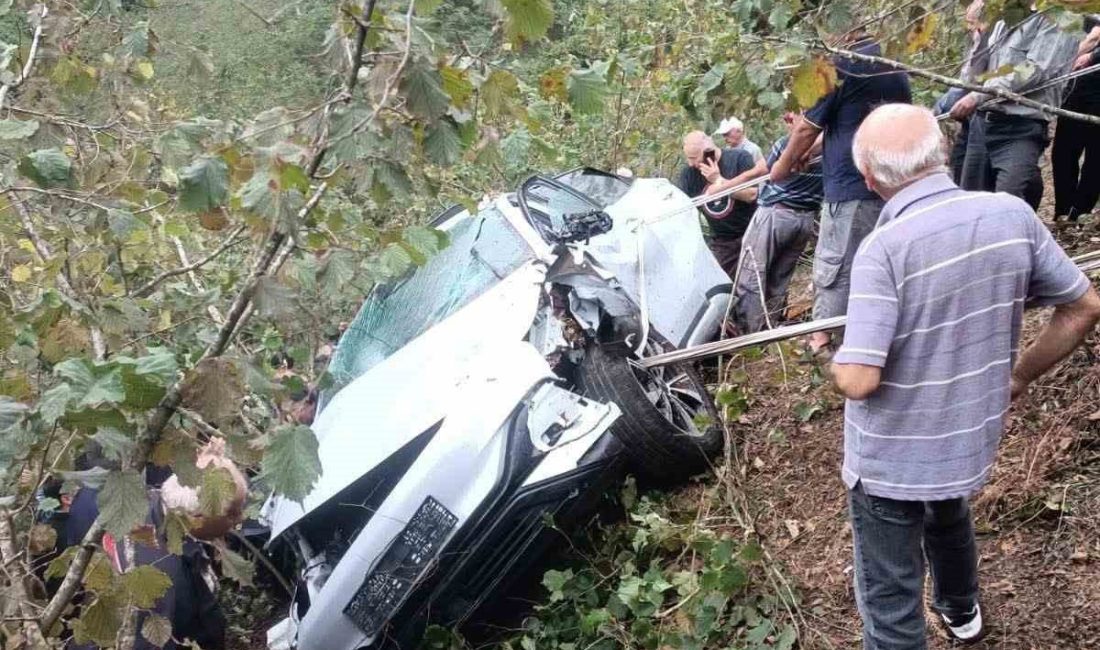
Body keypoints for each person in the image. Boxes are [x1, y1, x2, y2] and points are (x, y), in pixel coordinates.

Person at [832, 103, 1100, 648]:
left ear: (869, 179)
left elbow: (859, 380)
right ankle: (961, 609)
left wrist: (835, 360)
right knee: (948, 512)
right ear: (944, 153)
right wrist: (1018, 377)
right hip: (964, 439)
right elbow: (1083, 307)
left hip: (890, 459)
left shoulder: (883, 249)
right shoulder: (1011, 216)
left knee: (890, 599)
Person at [770, 30, 912, 352]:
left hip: (850, 189)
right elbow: (850, 125)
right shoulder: (890, 63)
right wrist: (810, 152)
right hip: (890, 184)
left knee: (838, 267)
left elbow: (806, 128)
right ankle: (879, 337)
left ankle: (825, 341)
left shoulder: (840, 65)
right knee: (880, 266)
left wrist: (782, 167)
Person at [952, 9, 1079, 208]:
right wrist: (979, 37)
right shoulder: (1006, 17)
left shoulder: (1056, 18)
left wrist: (978, 95)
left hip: (1021, 126)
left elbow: (1035, 70)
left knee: (1009, 201)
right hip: (982, 123)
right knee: (974, 202)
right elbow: (974, 75)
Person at [731, 113, 823, 333]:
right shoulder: (829, 149)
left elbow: (766, 171)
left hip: (776, 214)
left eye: (792, 118)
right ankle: (770, 328)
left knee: (751, 273)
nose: (788, 123)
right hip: (805, 219)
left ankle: (749, 333)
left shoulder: (786, 145)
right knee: (780, 277)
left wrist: (723, 184)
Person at [675, 130, 759, 278]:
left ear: (709, 151)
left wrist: (719, 182)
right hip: (722, 242)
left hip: (753, 234)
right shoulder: (689, 174)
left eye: (694, 158)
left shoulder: (739, 158)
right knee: (720, 283)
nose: (691, 163)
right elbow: (682, 207)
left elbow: (752, 195)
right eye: (688, 158)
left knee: (755, 281)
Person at [932, 0, 990, 183]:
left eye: (972, 23)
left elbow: (968, 85)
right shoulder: (976, 42)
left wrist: (938, 110)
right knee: (958, 166)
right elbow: (962, 80)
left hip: (984, 117)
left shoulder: (990, 42)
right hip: (969, 120)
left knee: (972, 177)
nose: (969, 28)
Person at [1052, 15, 1100, 222]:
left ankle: (1079, 213)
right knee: (1063, 153)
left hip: (1095, 92)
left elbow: (1093, 38)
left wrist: (1092, 56)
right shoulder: (1079, 12)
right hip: (1076, 91)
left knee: (1095, 159)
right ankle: (1064, 211)